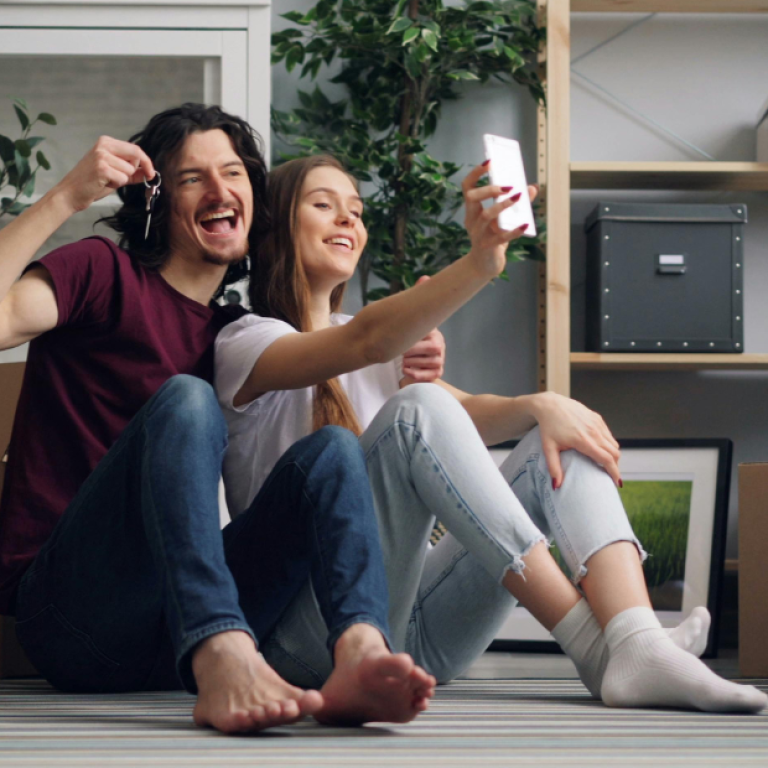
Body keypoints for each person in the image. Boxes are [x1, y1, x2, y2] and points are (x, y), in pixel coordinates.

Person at [215, 154, 767, 714]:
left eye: (356, 211)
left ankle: (635, 639)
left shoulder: (371, 348)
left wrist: (543, 406)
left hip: (415, 634)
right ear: (276, 225)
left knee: (559, 434)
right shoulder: (246, 341)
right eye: (323, 205)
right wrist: (481, 262)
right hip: (304, 639)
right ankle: (600, 651)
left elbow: (463, 415)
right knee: (420, 406)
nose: (347, 221)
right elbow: (374, 346)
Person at [0, 104, 441, 734]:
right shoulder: (102, 273)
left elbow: (353, 344)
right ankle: (224, 651)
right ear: (155, 201)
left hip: (170, 628)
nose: (220, 191)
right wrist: (66, 196)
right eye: (191, 178)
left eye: (233, 173)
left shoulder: (236, 335)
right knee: (185, 399)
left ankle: (360, 653)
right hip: (71, 618)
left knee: (333, 452)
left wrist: (416, 352)